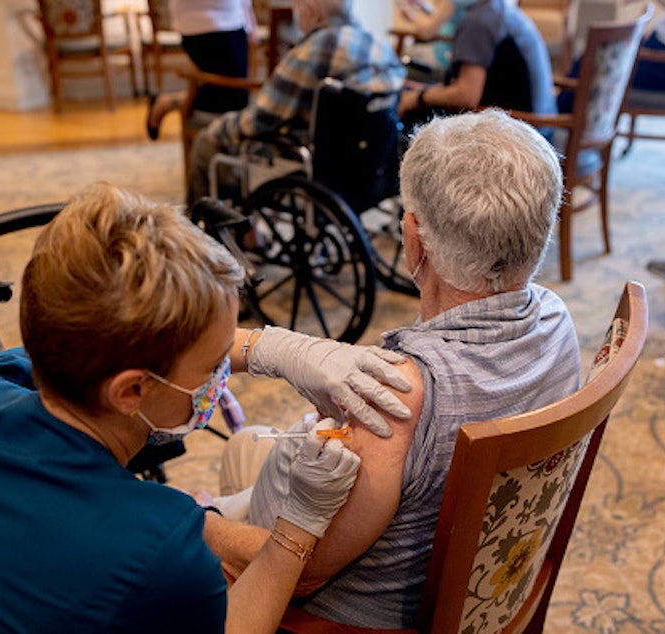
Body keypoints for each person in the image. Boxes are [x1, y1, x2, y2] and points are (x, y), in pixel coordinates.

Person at [0, 182, 421, 632]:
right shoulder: (155, 551)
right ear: (130, 392)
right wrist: (298, 526)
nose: (225, 374)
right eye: (215, 363)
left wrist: (272, 348)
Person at [202, 109, 582, 629]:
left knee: (190, 528)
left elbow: (302, 572)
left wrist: (195, 523)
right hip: (485, 596)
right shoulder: (557, 319)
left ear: (414, 239)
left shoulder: (402, 395)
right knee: (249, 450)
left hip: (344, 619)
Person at [185, 0, 407, 207]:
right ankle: (250, 236)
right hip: (365, 169)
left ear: (313, 10)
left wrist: (218, 129)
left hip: (306, 168)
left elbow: (257, 120)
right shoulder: (379, 47)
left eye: (298, 5)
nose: (296, 12)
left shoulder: (312, 51)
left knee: (205, 144)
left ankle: (199, 238)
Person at [398, 0, 556, 129]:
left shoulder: (477, 22)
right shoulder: (498, 9)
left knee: (407, 112)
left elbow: (466, 96)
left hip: (520, 129)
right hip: (538, 122)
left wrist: (417, 98)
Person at [145, 0, 256, 140]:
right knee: (233, 99)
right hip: (199, 20)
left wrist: (249, 18)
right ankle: (169, 103)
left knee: (237, 98)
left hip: (234, 19)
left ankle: (171, 101)